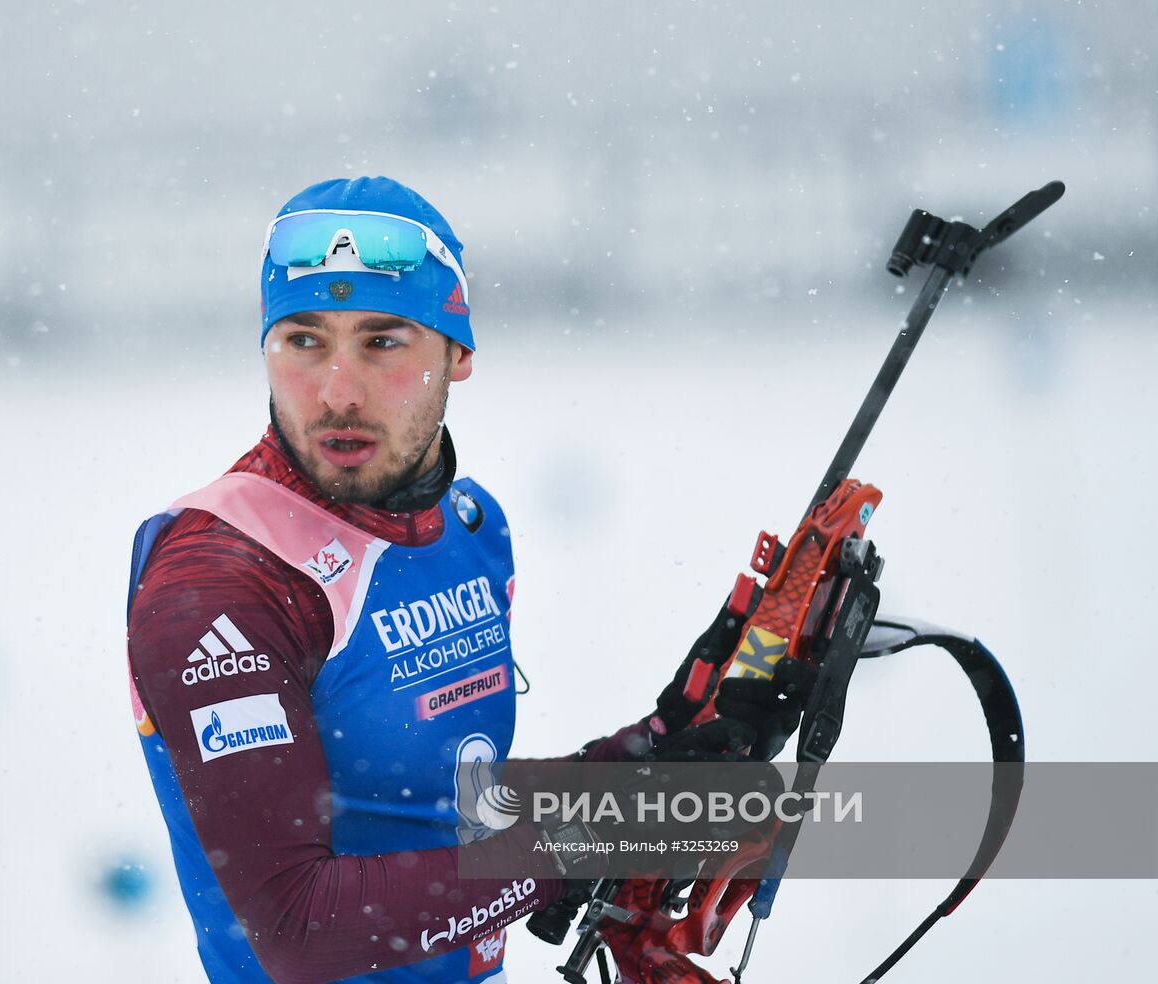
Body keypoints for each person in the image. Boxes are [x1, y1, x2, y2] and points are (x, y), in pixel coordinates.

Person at [124, 176, 808, 983]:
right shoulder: (221, 579)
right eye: (304, 341)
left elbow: (445, 809)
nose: (338, 392)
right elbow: (295, 927)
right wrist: (586, 841)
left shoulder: (472, 532)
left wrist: (643, 759)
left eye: (383, 341)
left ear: (458, 353)